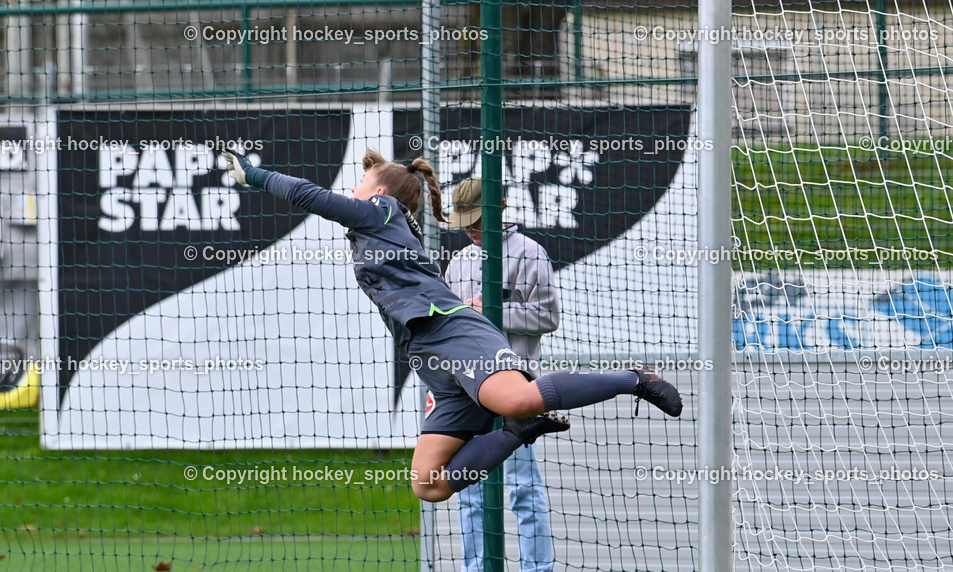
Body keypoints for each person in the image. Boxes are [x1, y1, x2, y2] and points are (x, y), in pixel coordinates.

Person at [221, 148, 682, 507]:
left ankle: (636, 379)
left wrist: (256, 175)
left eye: (362, 180)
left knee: (514, 396)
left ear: (382, 192)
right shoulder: (377, 226)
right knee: (429, 484)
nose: (355, 187)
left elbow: (310, 196)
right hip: (430, 357)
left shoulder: (379, 211)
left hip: (453, 331)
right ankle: (520, 431)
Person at [431, 178, 559, 572]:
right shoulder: (459, 261)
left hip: (517, 385)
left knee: (523, 484)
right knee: (466, 483)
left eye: (477, 220)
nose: (469, 229)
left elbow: (547, 317)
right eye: (464, 222)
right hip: (468, 387)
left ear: (499, 210)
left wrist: (493, 310)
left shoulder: (529, 253)